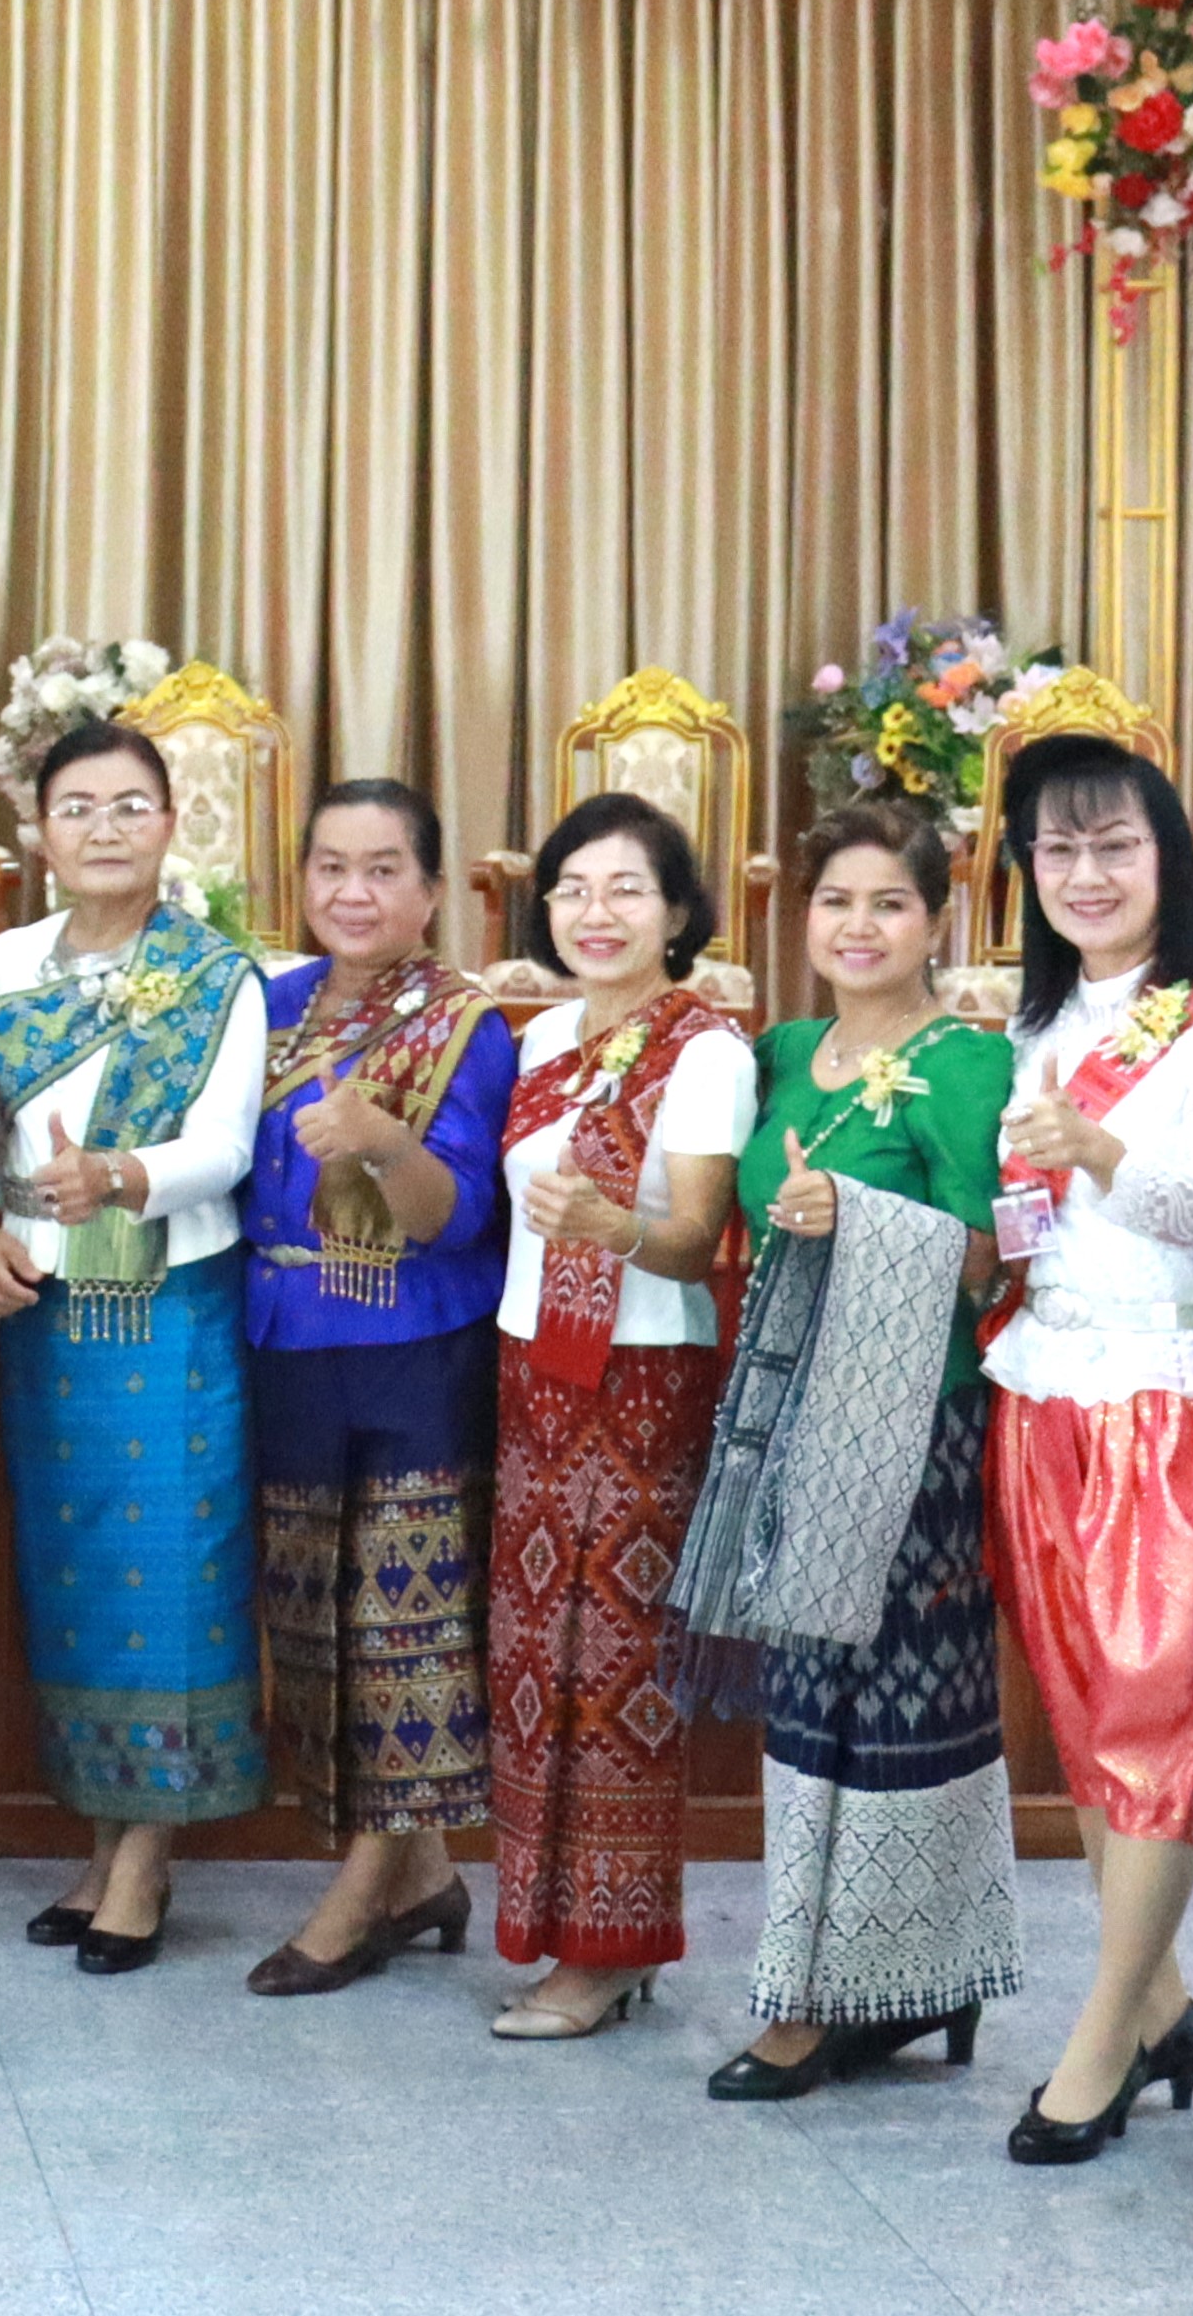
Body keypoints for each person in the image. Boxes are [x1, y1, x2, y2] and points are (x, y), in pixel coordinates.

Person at [983, 735, 1193, 2161]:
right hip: (1039, 1387)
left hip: (1167, 1401)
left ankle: (1099, 2038)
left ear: (1166, 857)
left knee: (1153, 1732)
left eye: (1114, 844)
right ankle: (1160, 2004)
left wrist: (1092, 1145)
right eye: (1056, 849)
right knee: (1081, 1721)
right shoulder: (1029, 1024)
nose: (1085, 873)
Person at [691, 804, 1022, 2101]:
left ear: (934, 920)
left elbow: (988, 1259)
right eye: (835, 900)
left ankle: (867, 1989)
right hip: (793, 1418)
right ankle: (853, 1981)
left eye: (889, 901)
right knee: (809, 1704)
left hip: (913, 1423)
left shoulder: (968, 1063)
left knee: (901, 1705)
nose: (859, 925)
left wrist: (861, 1211)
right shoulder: (784, 1051)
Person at [0, 718, 273, 1976]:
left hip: (169, 1300)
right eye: (75, 806)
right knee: (75, 1574)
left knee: (173, 1574)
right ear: (38, 831)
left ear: (170, 823)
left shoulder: (218, 973)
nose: (102, 828)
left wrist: (119, 1174)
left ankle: (147, 1856)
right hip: (43, 1306)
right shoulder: (1, 963)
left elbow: (227, 1145)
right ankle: (101, 1840)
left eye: (129, 805)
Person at [476, 790, 757, 2039]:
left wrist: (609, 1227)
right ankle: (552, 1924)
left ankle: (611, 1944)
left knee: (615, 1665)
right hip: (532, 1370)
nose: (595, 912)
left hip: (640, 1382)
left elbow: (693, 1243)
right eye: (572, 889)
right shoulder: (541, 1037)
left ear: (677, 912)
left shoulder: (704, 1050)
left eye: (625, 889)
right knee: (534, 1658)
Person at [239, 781, 516, 2001]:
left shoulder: (467, 1023)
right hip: (283, 1332)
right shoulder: (269, 1004)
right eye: (331, 867)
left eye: (383, 869)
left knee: (405, 1622)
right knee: (313, 1616)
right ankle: (423, 1874)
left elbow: (456, 1217)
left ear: (430, 889)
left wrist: (382, 1141)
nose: (353, 893)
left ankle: (356, 1897)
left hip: (414, 1342)